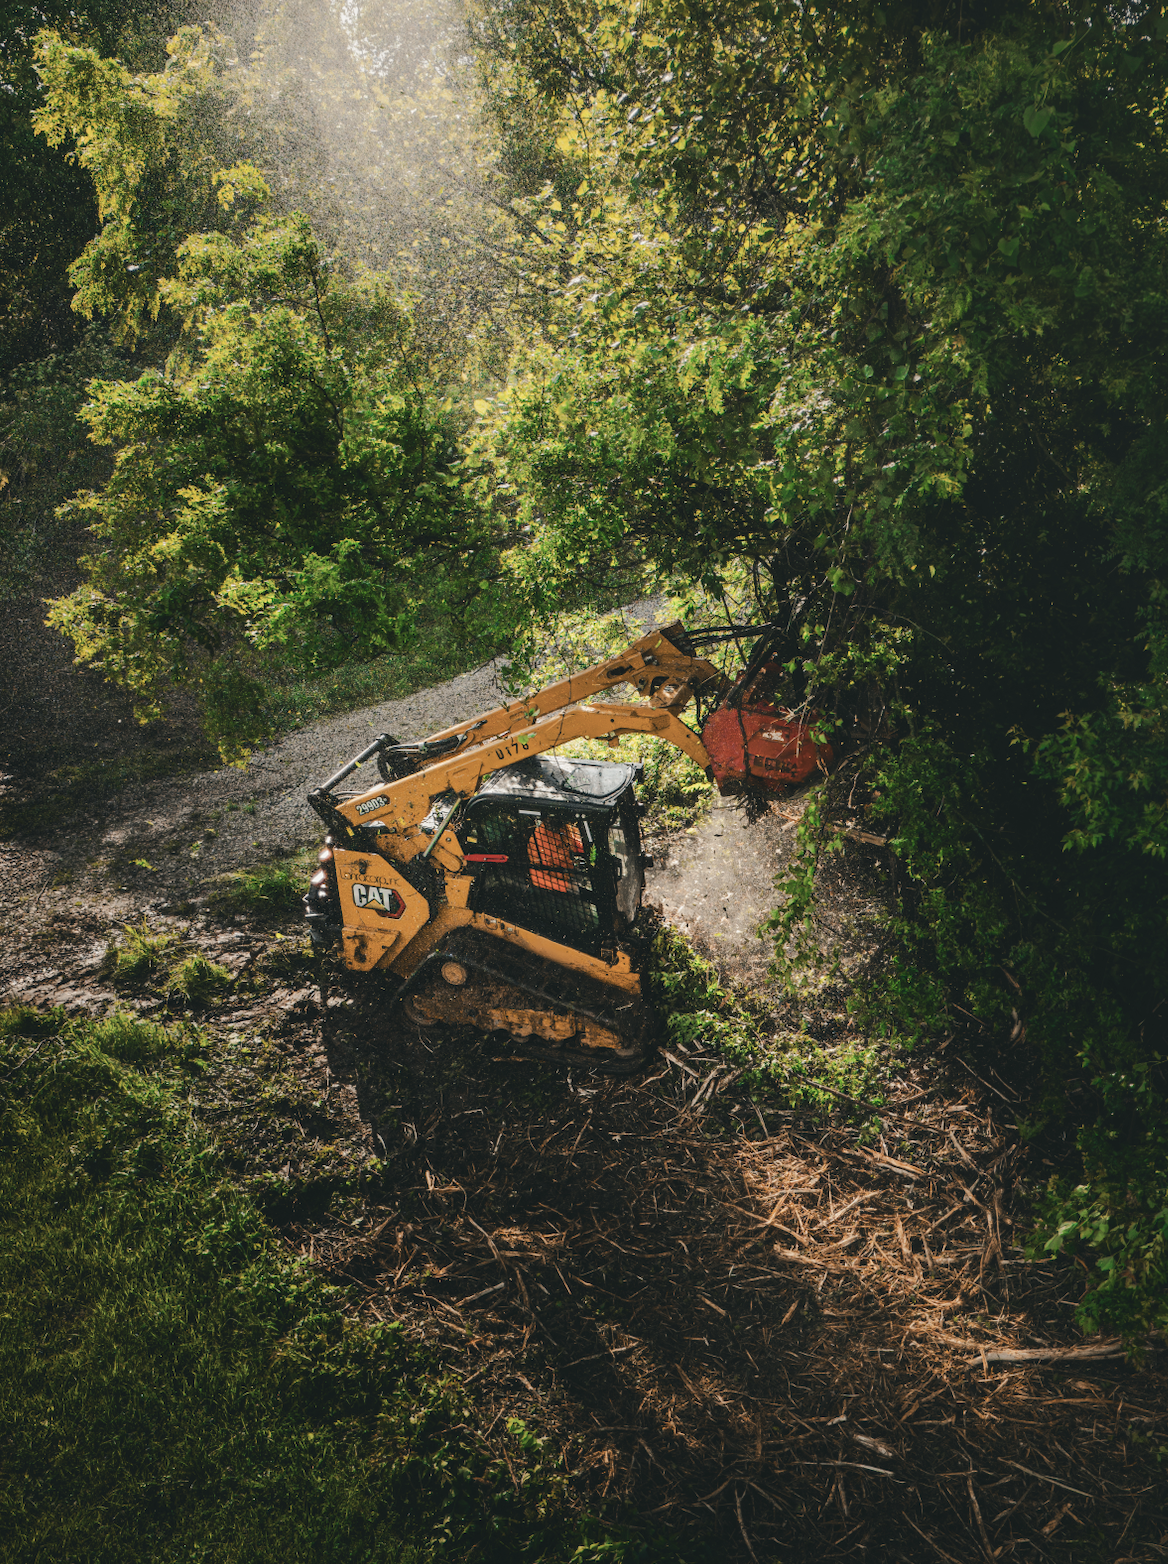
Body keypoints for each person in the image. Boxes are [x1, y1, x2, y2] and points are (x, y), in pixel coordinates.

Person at [528, 817, 584, 892]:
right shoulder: (536, 840)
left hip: (574, 877)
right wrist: (567, 886)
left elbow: (580, 847)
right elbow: (536, 877)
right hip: (553, 892)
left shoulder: (568, 829)